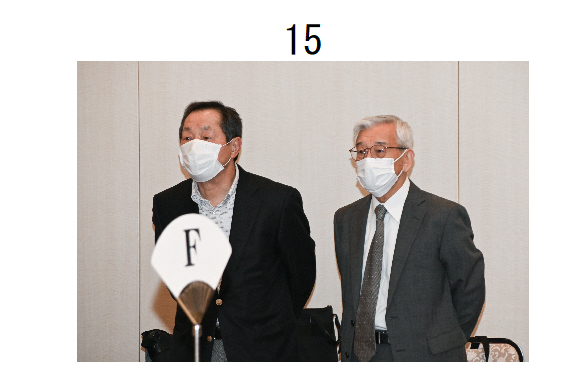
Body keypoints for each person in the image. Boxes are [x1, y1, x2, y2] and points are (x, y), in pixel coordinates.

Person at [152, 101, 317, 361]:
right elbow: (174, 278)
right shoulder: (168, 204)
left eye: (206, 137)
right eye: (187, 138)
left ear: (234, 146)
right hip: (195, 349)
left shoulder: (277, 200)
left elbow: (301, 275)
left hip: (262, 349)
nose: (194, 146)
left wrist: (267, 324)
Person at [334, 115, 485, 361]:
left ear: (406, 159)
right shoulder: (346, 219)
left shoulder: (443, 216)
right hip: (361, 354)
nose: (368, 160)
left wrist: (444, 342)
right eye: (361, 151)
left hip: (425, 356)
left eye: (379, 151)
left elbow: (470, 289)